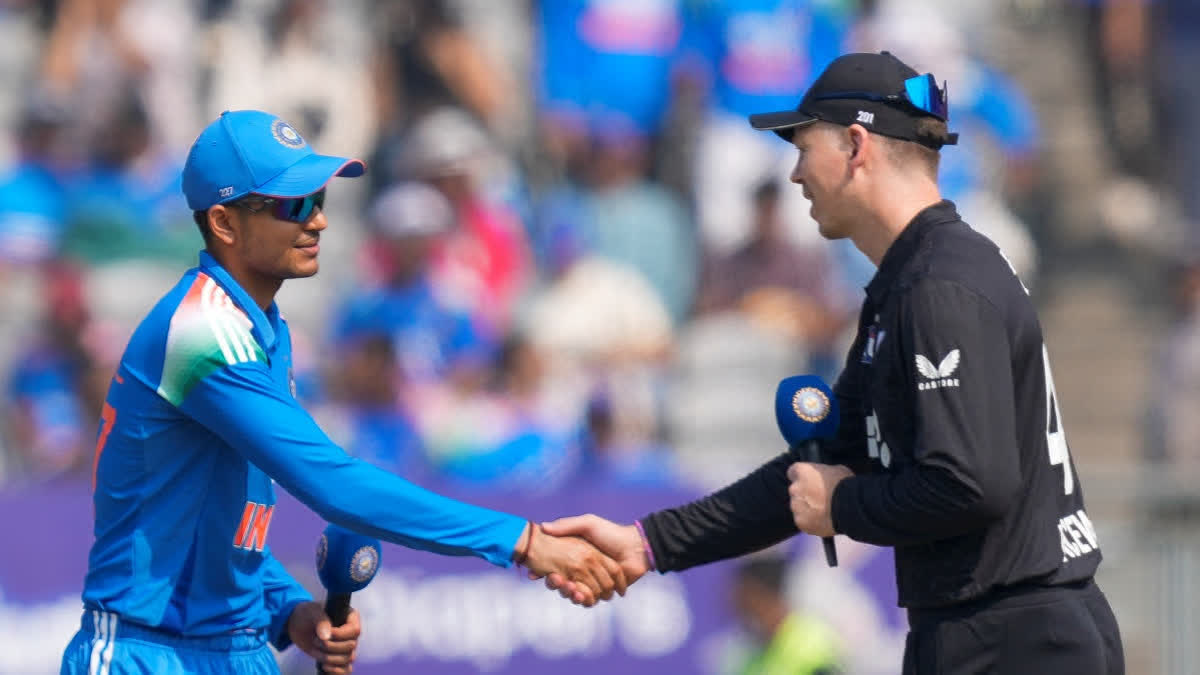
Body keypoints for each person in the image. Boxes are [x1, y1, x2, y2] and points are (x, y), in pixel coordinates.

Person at [540, 52, 1125, 674]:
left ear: (855, 145)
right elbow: (821, 465)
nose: (794, 175)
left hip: (1016, 640)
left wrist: (843, 508)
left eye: (801, 147)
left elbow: (971, 483)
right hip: (992, 629)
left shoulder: (939, 284)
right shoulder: (909, 282)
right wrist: (649, 542)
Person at [60, 110, 625, 675]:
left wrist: (287, 609)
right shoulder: (201, 333)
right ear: (224, 223)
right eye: (293, 205)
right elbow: (335, 485)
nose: (319, 222)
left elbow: (225, 509)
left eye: (320, 199)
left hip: (239, 649)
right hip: (146, 653)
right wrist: (524, 541)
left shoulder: (265, 327)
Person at [722, 555, 842, 675]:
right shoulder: (751, 654)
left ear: (768, 596)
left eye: (749, 603)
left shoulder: (813, 645)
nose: (742, 614)